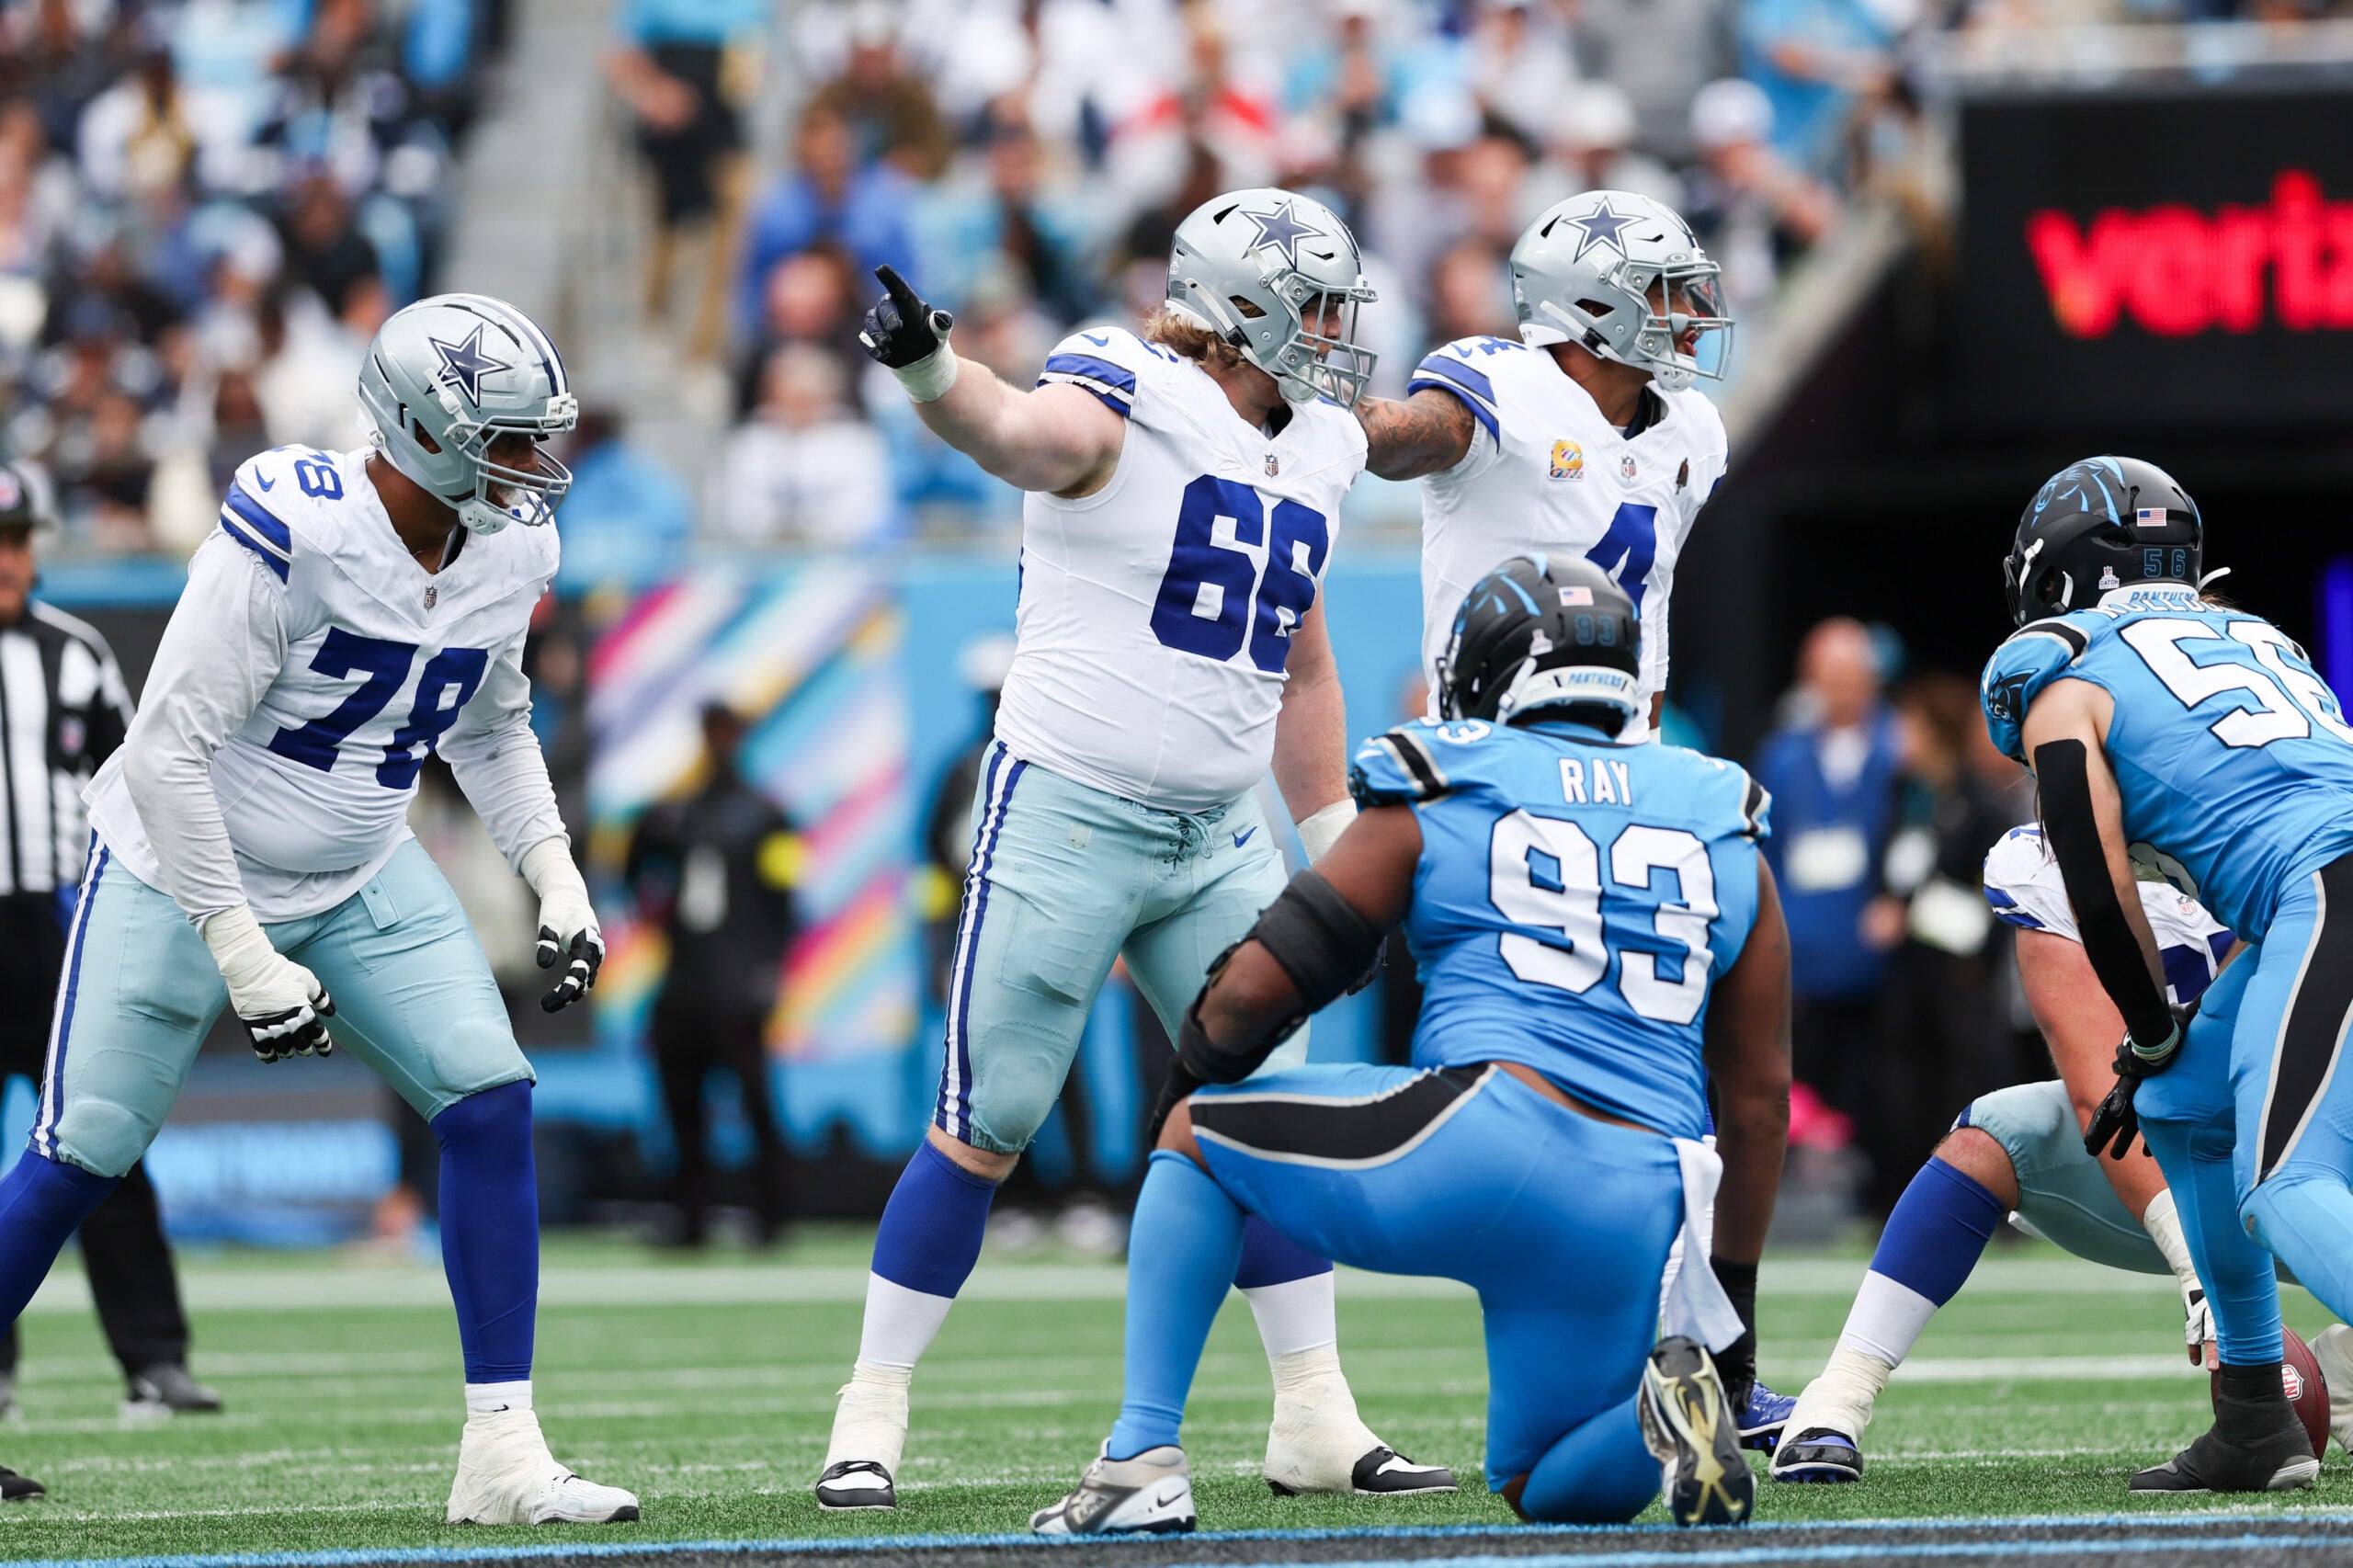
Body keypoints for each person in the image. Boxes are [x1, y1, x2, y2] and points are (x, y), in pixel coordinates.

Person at [819, 188, 1451, 1511]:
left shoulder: (1322, 440)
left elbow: (1305, 661)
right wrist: (934, 369)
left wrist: (1329, 835)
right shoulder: (1131, 381)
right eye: (1318, 307)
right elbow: (1020, 431)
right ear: (1237, 312)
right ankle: (868, 1412)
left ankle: (1314, 1416)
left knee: (1270, 1122)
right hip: (1069, 807)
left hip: (1217, 835)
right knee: (988, 1121)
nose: (1340, 335)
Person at [0, 295, 638, 1525]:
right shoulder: (297, 526)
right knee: (83, 1149)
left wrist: (555, 875)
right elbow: (165, 755)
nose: (532, 467)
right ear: (424, 434)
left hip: (356, 864)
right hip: (184, 865)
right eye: (507, 440)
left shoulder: (510, 546)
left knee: (490, 1097)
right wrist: (241, 953)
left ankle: (501, 1453)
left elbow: (493, 727)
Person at [1029, 557, 1789, 1535]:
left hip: (1485, 1134)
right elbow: (1761, 1097)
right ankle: (1659, 1418)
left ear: (1482, 668)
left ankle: (1138, 1459)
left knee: (1192, 1134)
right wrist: (1728, 1300)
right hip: (1640, 1194)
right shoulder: (1719, 805)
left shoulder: (1449, 770)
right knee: (1540, 1479)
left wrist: (1190, 1074)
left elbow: (1263, 983)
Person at [1980, 455, 2353, 1493]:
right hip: (2312, 895)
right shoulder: (2256, 632)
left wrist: (2144, 1027)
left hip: (2329, 887)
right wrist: (2164, 1053)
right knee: (2186, 1104)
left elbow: (2096, 885)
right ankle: (2252, 1414)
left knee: (2286, 1185)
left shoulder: (2060, 672)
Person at [1773, 822, 2241, 1481]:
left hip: (2306, 1154)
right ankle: (1840, 1392)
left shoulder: (2272, 823)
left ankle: (2337, 1372)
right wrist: (2201, 1276)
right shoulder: (2043, 862)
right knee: (1993, 1135)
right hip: (2173, 1159)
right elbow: (2101, 1096)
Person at [1352, 188, 1733, 737]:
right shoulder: (1502, 391)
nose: (1695, 315)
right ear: (1595, 304)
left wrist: (1645, 755)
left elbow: (1652, 617)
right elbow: (1390, 439)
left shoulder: (1693, 431)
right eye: (1668, 292)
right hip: (1492, 747)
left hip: (1614, 756)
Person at [0, 466, 217, 1424]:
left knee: (99, 1132)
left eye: (20, 539)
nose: (13, 560)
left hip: (46, 921)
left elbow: (137, 788)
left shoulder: (75, 653)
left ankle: (153, 1354)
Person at [623, 702, 799, 1246]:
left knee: (755, 1103)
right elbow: (635, 867)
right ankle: (691, 1215)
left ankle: (772, 1214)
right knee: (682, 1106)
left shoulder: (766, 816)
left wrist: (767, 970)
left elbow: (785, 902)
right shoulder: (677, 813)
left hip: (737, 983)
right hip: (687, 981)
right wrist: (657, 916)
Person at [1753, 618, 1904, 1192]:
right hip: (1802, 948)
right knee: (1798, 1075)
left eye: (1854, 675)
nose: (1843, 689)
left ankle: (1877, 1193)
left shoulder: (1899, 747)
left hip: (1876, 952)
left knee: (1877, 1078)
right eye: (1830, 676)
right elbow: (1765, 845)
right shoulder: (1783, 756)